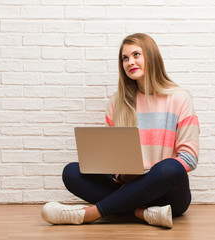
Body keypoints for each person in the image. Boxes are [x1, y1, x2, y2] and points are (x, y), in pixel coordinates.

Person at [41, 33, 200, 229]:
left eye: (136, 54)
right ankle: (142, 213)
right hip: (127, 186)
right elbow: (111, 159)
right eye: (125, 58)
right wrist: (121, 175)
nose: (129, 62)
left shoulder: (179, 98)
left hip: (167, 193)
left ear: (151, 56)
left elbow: (189, 159)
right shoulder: (117, 103)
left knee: (170, 167)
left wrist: (149, 175)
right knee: (72, 172)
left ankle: (91, 213)